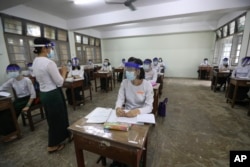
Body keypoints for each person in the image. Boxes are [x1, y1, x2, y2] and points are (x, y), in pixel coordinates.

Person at [32, 37, 71, 153]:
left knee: (54, 117)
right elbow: (60, 82)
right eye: (49, 47)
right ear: (44, 48)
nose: (51, 50)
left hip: (44, 93)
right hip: (53, 94)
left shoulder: (35, 61)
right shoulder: (49, 63)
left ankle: (66, 135)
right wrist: (63, 72)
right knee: (57, 118)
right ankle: (52, 144)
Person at [0, 64, 36, 142]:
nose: (10, 73)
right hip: (19, 100)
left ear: (18, 71)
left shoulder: (27, 80)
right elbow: (2, 88)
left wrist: (27, 106)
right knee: (5, 111)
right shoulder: (12, 80)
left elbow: (33, 95)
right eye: (9, 72)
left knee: (10, 112)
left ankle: (14, 133)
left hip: (28, 99)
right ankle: (9, 131)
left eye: (12, 71)